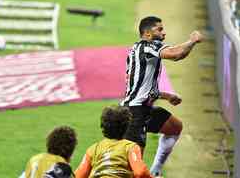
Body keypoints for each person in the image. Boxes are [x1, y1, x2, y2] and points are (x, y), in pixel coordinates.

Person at [120, 16, 203, 177]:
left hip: (143, 108)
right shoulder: (147, 47)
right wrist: (192, 41)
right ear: (147, 34)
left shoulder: (140, 50)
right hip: (135, 113)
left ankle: (156, 169)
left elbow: (144, 88)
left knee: (174, 128)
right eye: (160, 29)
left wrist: (167, 96)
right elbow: (176, 54)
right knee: (134, 170)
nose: (164, 33)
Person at [74, 106, 153, 178]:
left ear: (103, 126)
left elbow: (78, 176)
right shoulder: (130, 147)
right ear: (126, 126)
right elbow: (141, 172)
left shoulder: (93, 149)